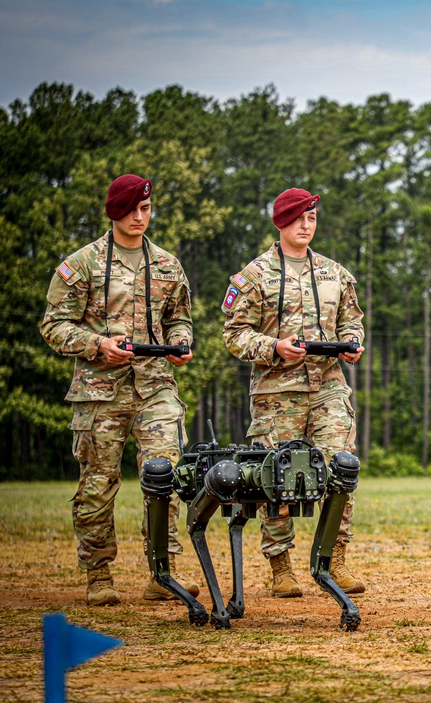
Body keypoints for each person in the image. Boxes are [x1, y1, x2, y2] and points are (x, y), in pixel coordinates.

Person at [40, 174, 200, 606]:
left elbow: (179, 318)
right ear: (114, 211)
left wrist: (182, 343)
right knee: (98, 483)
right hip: (99, 392)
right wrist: (97, 345)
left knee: (164, 475)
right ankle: (99, 575)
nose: (140, 217)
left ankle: (161, 573)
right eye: (132, 210)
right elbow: (53, 325)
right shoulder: (84, 264)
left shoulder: (168, 264)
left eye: (146, 209)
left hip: (156, 388)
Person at [221, 187, 366, 598]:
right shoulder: (254, 276)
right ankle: (280, 566)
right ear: (281, 221)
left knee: (341, 466)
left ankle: (333, 559)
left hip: (328, 387)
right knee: (277, 478)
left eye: (313, 218)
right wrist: (273, 347)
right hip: (276, 393)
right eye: (300, 218)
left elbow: (352, 320)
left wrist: (352, 343)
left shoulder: (335, 274)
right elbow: (234, 335)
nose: (307, 225)